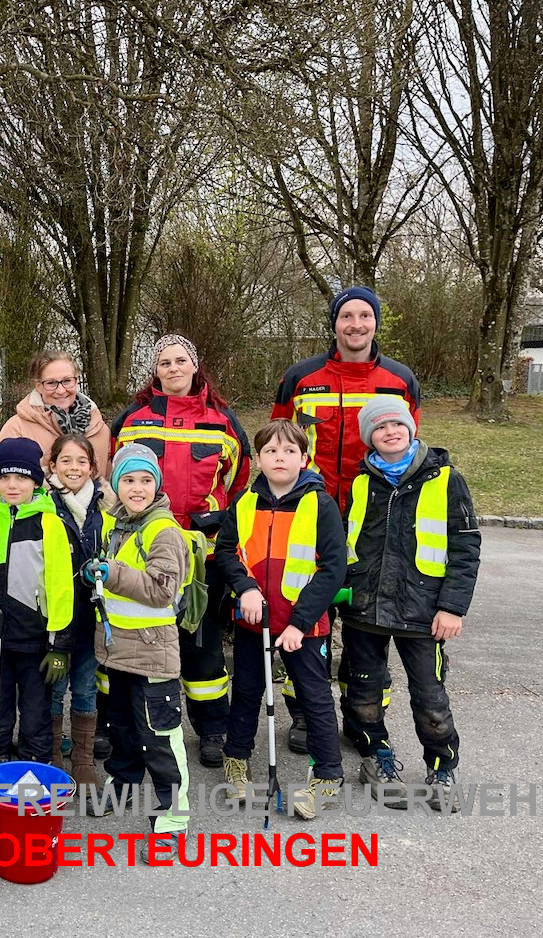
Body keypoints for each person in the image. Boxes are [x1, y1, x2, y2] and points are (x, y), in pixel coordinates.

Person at [272, 286, 421, 753]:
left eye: (364, 316)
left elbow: (408, 446)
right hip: (310, 512)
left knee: (365, 625)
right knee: (308, 614)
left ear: (376, 322)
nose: (355, 324)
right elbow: (279, 440)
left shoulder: (400, 379)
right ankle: (304, 713)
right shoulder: (301, 377)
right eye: (346, 316)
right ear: (334, 324)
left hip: (373, 518)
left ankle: (364, 717)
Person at [111, 334, 250, 767]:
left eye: (180, 360)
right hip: (142, 552)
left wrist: (214, 519)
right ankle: (122, 725)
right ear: (156, 371)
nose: (173, 368)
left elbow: (238, 481)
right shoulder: (133, 420)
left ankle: (212, 728)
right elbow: (115, 476)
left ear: (195, 365)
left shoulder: (223, 422)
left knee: (201, 644)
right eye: (164, 362)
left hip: (200, 555)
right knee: (134, 638)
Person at [341, 396, 480, 811]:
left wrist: (453, 607)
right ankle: (376, 757)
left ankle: (442, 767)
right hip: (365, 610)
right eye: (380, 427)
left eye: (397, 424)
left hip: (424, 613)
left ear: (411, 428)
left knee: (430, 699)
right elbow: (345, 544)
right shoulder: (361, 482)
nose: (391, 432)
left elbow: (465, 547)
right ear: (369, 437)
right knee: (364, 694)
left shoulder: (445, 479)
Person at [215, 420, 347, 820]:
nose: (280, 458)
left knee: (314, 696)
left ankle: (328, 775)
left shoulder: (320, 504)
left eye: (289, 451)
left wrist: (300, 622)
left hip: (303, 625)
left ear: (304, 459)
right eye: (271, 451)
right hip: (254, 619)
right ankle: (236, 758)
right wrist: (245, 588)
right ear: (259, 459)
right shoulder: (245, 502)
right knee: (247, 691)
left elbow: (333, 568)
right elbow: (226, 551)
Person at [84, 443, 192, 864]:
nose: (137, 488)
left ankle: (172, 818)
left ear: (157, 485)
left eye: (146, 480)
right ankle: (123, 785)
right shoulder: (120, 525)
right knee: (123, 730)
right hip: (118, 652)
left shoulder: (163, 530)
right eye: (128, 480)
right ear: (117, 485)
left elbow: (161, 590)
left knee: (159, 738)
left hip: (152, 653)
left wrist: (111, 572)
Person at [0, 438, 74, 765]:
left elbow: (61, 587)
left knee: (36, 713)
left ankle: (34, 772)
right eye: (4, 477)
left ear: (36, 482)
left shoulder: (49, 524)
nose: (12, 485)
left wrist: (60, 645)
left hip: (36, 640)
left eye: (21, 477)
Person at [44, 432, 111, 787]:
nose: (74, 467)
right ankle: (53, 756)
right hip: (56, 618)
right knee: (54, 690)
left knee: (86, 689)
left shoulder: (105, 508)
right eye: (66, 460)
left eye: (82, 461)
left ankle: (83, 760)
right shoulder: (43, 505)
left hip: (91, 617)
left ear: (93, 468)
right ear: (52, 465)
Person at [0, 351, 111, 479]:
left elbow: (109, 483)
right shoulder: (17, 429)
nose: (61, 390)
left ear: (76, 381)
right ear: (38, 386)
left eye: (67, 381)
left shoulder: (100, 430)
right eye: (51, 383)